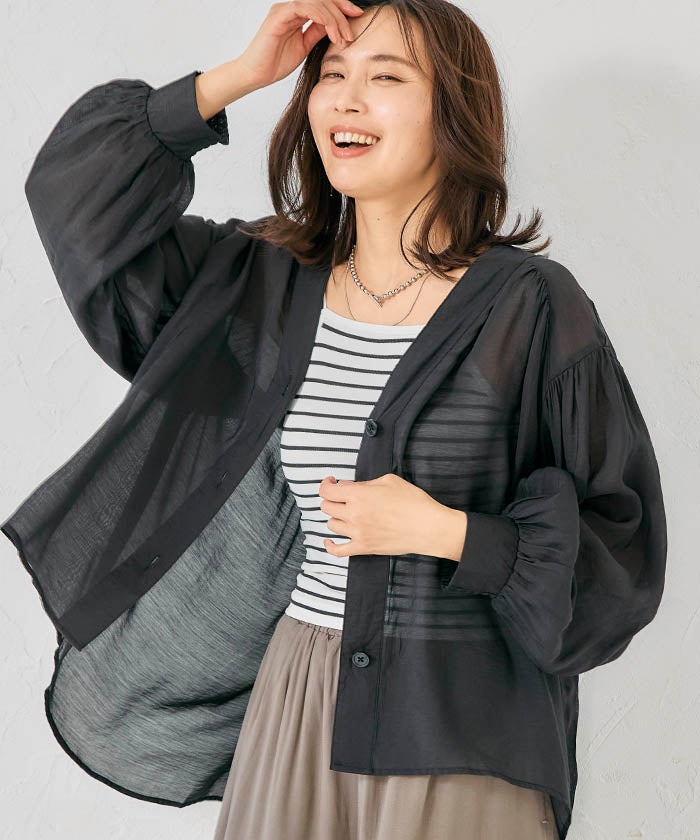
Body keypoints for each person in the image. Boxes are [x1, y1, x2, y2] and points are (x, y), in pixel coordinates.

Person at [2, 2, 666, 839]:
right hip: (297, 706)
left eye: (386, 77)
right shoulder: (258, 286)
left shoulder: (532, 309)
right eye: (332, 76)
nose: (347, 99)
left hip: (462, 731)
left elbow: (622, 558)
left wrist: (449, 533)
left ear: (455, 111)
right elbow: (75, 197)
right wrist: (240, 75)